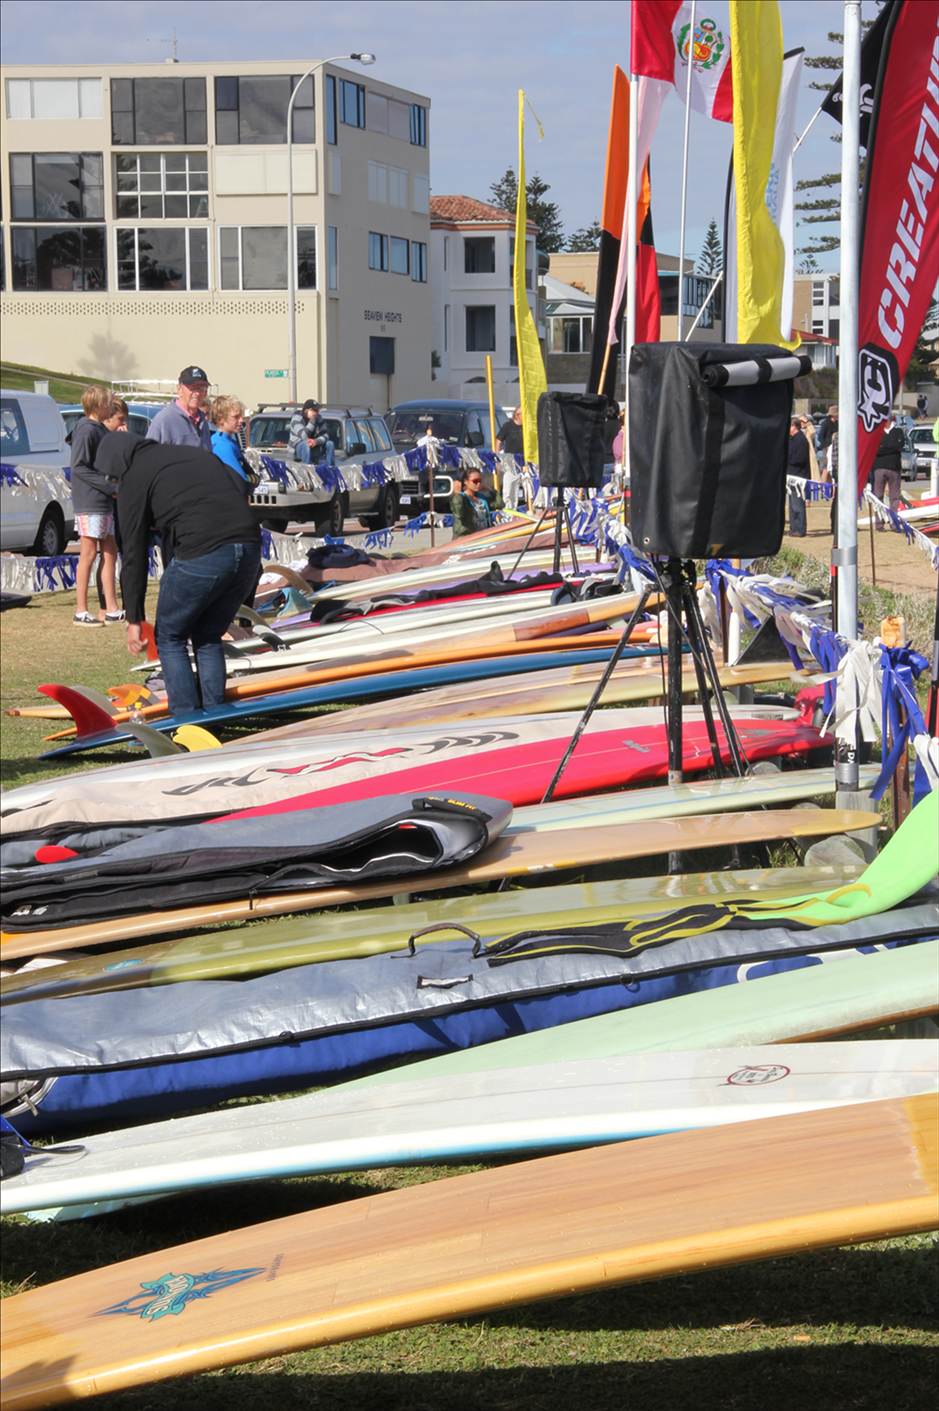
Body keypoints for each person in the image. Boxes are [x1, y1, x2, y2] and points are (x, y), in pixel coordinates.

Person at [95, 432, 261, 716]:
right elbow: (239, 486)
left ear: (117, 465)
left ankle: (186, 719)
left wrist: (134, 619)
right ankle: (215, 714)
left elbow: (133, 554)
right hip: (249, 547)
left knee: (170, 636)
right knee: (208, 634)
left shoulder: (135, 476)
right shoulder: (193, 455)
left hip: (205, 550)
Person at [67, 385, 123, 627]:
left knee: (110, 551)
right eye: (108, 403)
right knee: (88, 553)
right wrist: (110, 486)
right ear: (99, 405)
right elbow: (79, 467)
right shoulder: (86, 430)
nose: (111, 407)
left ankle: (111, 608)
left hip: (103, 501)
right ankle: (81, 610)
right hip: (90, 501)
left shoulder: (99, 429)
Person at [147, 366, 213, 449]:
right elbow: (148, 454)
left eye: (201, 388)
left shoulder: (202, 421)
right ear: (179, 389)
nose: (197, 393)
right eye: (193, 387)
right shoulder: (164, 420)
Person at [209, 395, 253, 489]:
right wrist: (253, 479)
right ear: (221, 419)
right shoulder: (222, 445)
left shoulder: (228, 441)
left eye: (241, 416)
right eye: (236, 417)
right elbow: (241, 480)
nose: (241, 420)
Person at [450, 469, 503, 538]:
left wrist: (491, 490)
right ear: (466, 482)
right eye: (475, 481)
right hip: (467, 538)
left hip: (484, 537)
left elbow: (500, 504)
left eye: (480, 481)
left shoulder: (482, 499)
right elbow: (459, 513)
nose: (478, 484)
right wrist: (457, 494)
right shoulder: (461, 499)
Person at [872, 415, 905, 521]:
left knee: (894, 497)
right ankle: (879, 521)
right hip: (879, 468)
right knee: (878, 496)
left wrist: (883, 447)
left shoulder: (898, 431)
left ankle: (894, 521)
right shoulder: (877, 432)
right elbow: (875, 449)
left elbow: (899, 446)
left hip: (894, 468)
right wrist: (891, 448)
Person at [289, 399, 335, 466]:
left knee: (330, 444)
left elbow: (326, 435)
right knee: (306, 444)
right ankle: (306, 469)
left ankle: (330, 468)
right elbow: (304, 436)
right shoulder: (296, 419)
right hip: (297, 450)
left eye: (317, 410)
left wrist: (316, 441)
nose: (317, 412)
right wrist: (312, 420)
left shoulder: (319, 418)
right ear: (306, 410)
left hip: (315, 446)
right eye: (314, 410)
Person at [496, 406, 525, 509]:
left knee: (529, 488)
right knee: (509, 488)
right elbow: (498, 441)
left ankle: (533, 509)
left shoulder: (528, 426)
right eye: (523, 414)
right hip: (510, 462)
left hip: (525, 462)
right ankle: (509, 510)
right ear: (517, 415)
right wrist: (498, 458)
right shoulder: (508, 426)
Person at [786, 416, 810, 537]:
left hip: (798, 476)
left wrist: (787, 459)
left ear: (794, 426)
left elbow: (800, 458)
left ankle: (800, 528)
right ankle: (793, 527)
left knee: (798, 504)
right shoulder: (792, 439)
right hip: (791, 475)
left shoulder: (801, 440)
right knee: (792, 504)